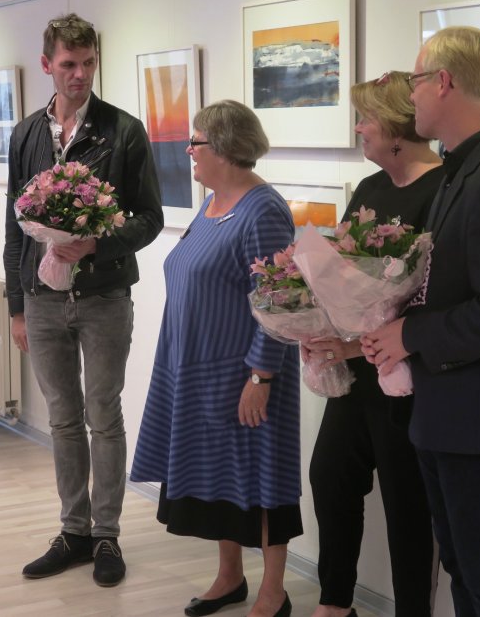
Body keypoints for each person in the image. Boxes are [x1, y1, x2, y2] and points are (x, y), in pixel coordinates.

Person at [362, 26, 480, 616]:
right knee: (465, 571)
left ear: (444, 82)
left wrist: (407, 334)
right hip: (447, 408)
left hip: (478, 414)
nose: (411, 96)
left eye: (417, 81)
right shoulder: (466, 167)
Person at [3, 13, 163, 587]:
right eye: (69, 64)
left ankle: (106, 535)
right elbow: (14, 225)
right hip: (41, 298)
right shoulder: (26, 135)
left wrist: (96, 243)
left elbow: (150, 219)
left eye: (89, 62)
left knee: (103, 414)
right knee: (63, 418)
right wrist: (16, 307)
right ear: (47, 64)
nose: (80, 74)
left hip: (104, 294)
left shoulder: (124, 131)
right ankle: (73, 531)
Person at [131, 100, 301, 617]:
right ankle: (230, 577)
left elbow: (278, 299)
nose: (188, 150)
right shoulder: (211, 206)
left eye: (196, 141)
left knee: (263, 478)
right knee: (221, 479)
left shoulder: (262, 211)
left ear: (224, 148)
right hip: (196, 370)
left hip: (245, 373)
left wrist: (261, 376)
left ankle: (274, 592)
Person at [300, 72, 442, 617]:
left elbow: (429, 298)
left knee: (409, 508)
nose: (359, 129)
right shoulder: (370, 189)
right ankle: (336, 603)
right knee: (330, 476)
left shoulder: (442, 190)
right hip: (359, 373)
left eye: (366, 119)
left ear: (396, 127)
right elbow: (340, 274)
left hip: (409, 377)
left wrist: (358, 345)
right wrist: (320, 327)